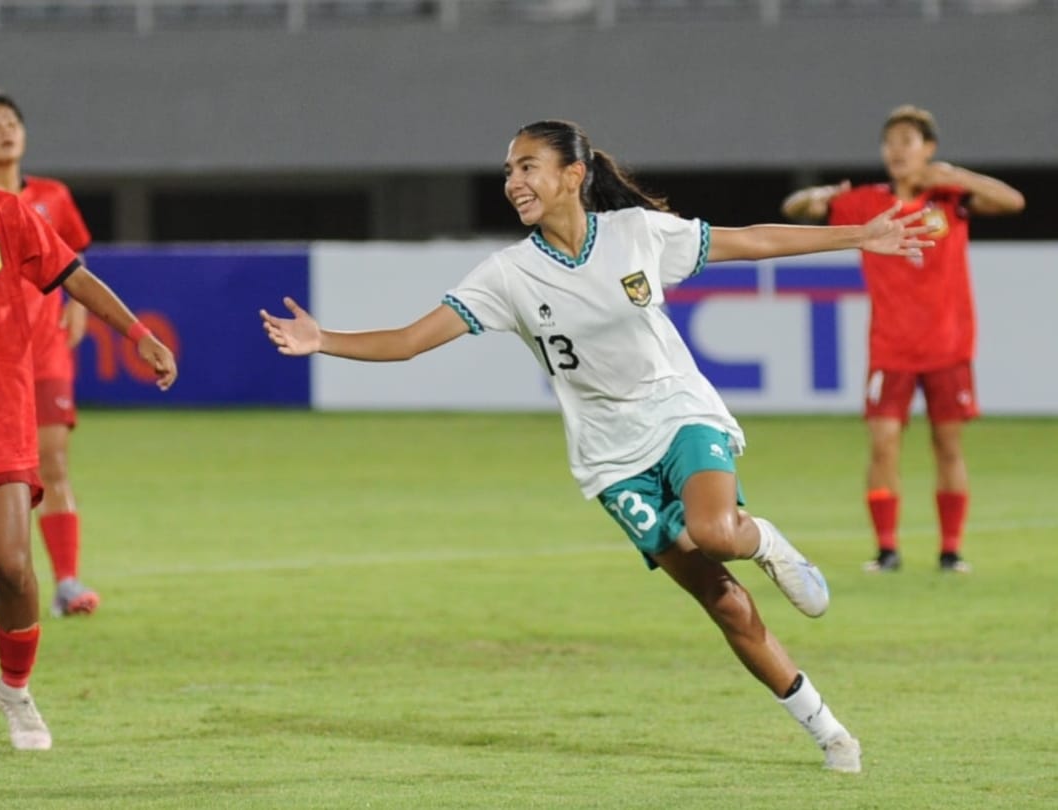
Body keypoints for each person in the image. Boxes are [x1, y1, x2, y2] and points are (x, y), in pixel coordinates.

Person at [261, 120, 934, 773]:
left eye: (527, 167)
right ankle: (828, 730)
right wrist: (327, 341)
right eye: (508, 171)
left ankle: (764, 539)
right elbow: (411, 340)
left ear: (572, 175)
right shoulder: (507, 276)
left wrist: (858, 236)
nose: (513, 182)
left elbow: (750, 240)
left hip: (678, 411)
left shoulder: (636, 234)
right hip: (611, 462)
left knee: (716, 531)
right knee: (722, 601)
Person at [780, 105, 1025, 574]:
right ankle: (887, 549)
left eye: (908, 140)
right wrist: (818, 194)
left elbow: (1012, 201)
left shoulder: (951, 199)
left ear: (929, 150)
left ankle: (951, 551)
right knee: (883, 444)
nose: (896, 150)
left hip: (948, 346)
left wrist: (957, 174)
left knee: (948, 446)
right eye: (890, 141)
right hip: (890, 348)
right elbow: (795, 209)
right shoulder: (867, 201)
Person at [0, 185, 176, 749]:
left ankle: (15, 690)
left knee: (12, 565)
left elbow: (73, 274)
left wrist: (137, 334)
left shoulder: (4, 210)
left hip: (2, 411)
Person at [0, 90, 99, 615]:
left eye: (13, 123)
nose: (6, 132)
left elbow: (75, 258)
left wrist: (77, 307)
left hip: (45, 349)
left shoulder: (52, 196)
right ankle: (1, 576)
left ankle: (67, 582)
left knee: (52, 460)